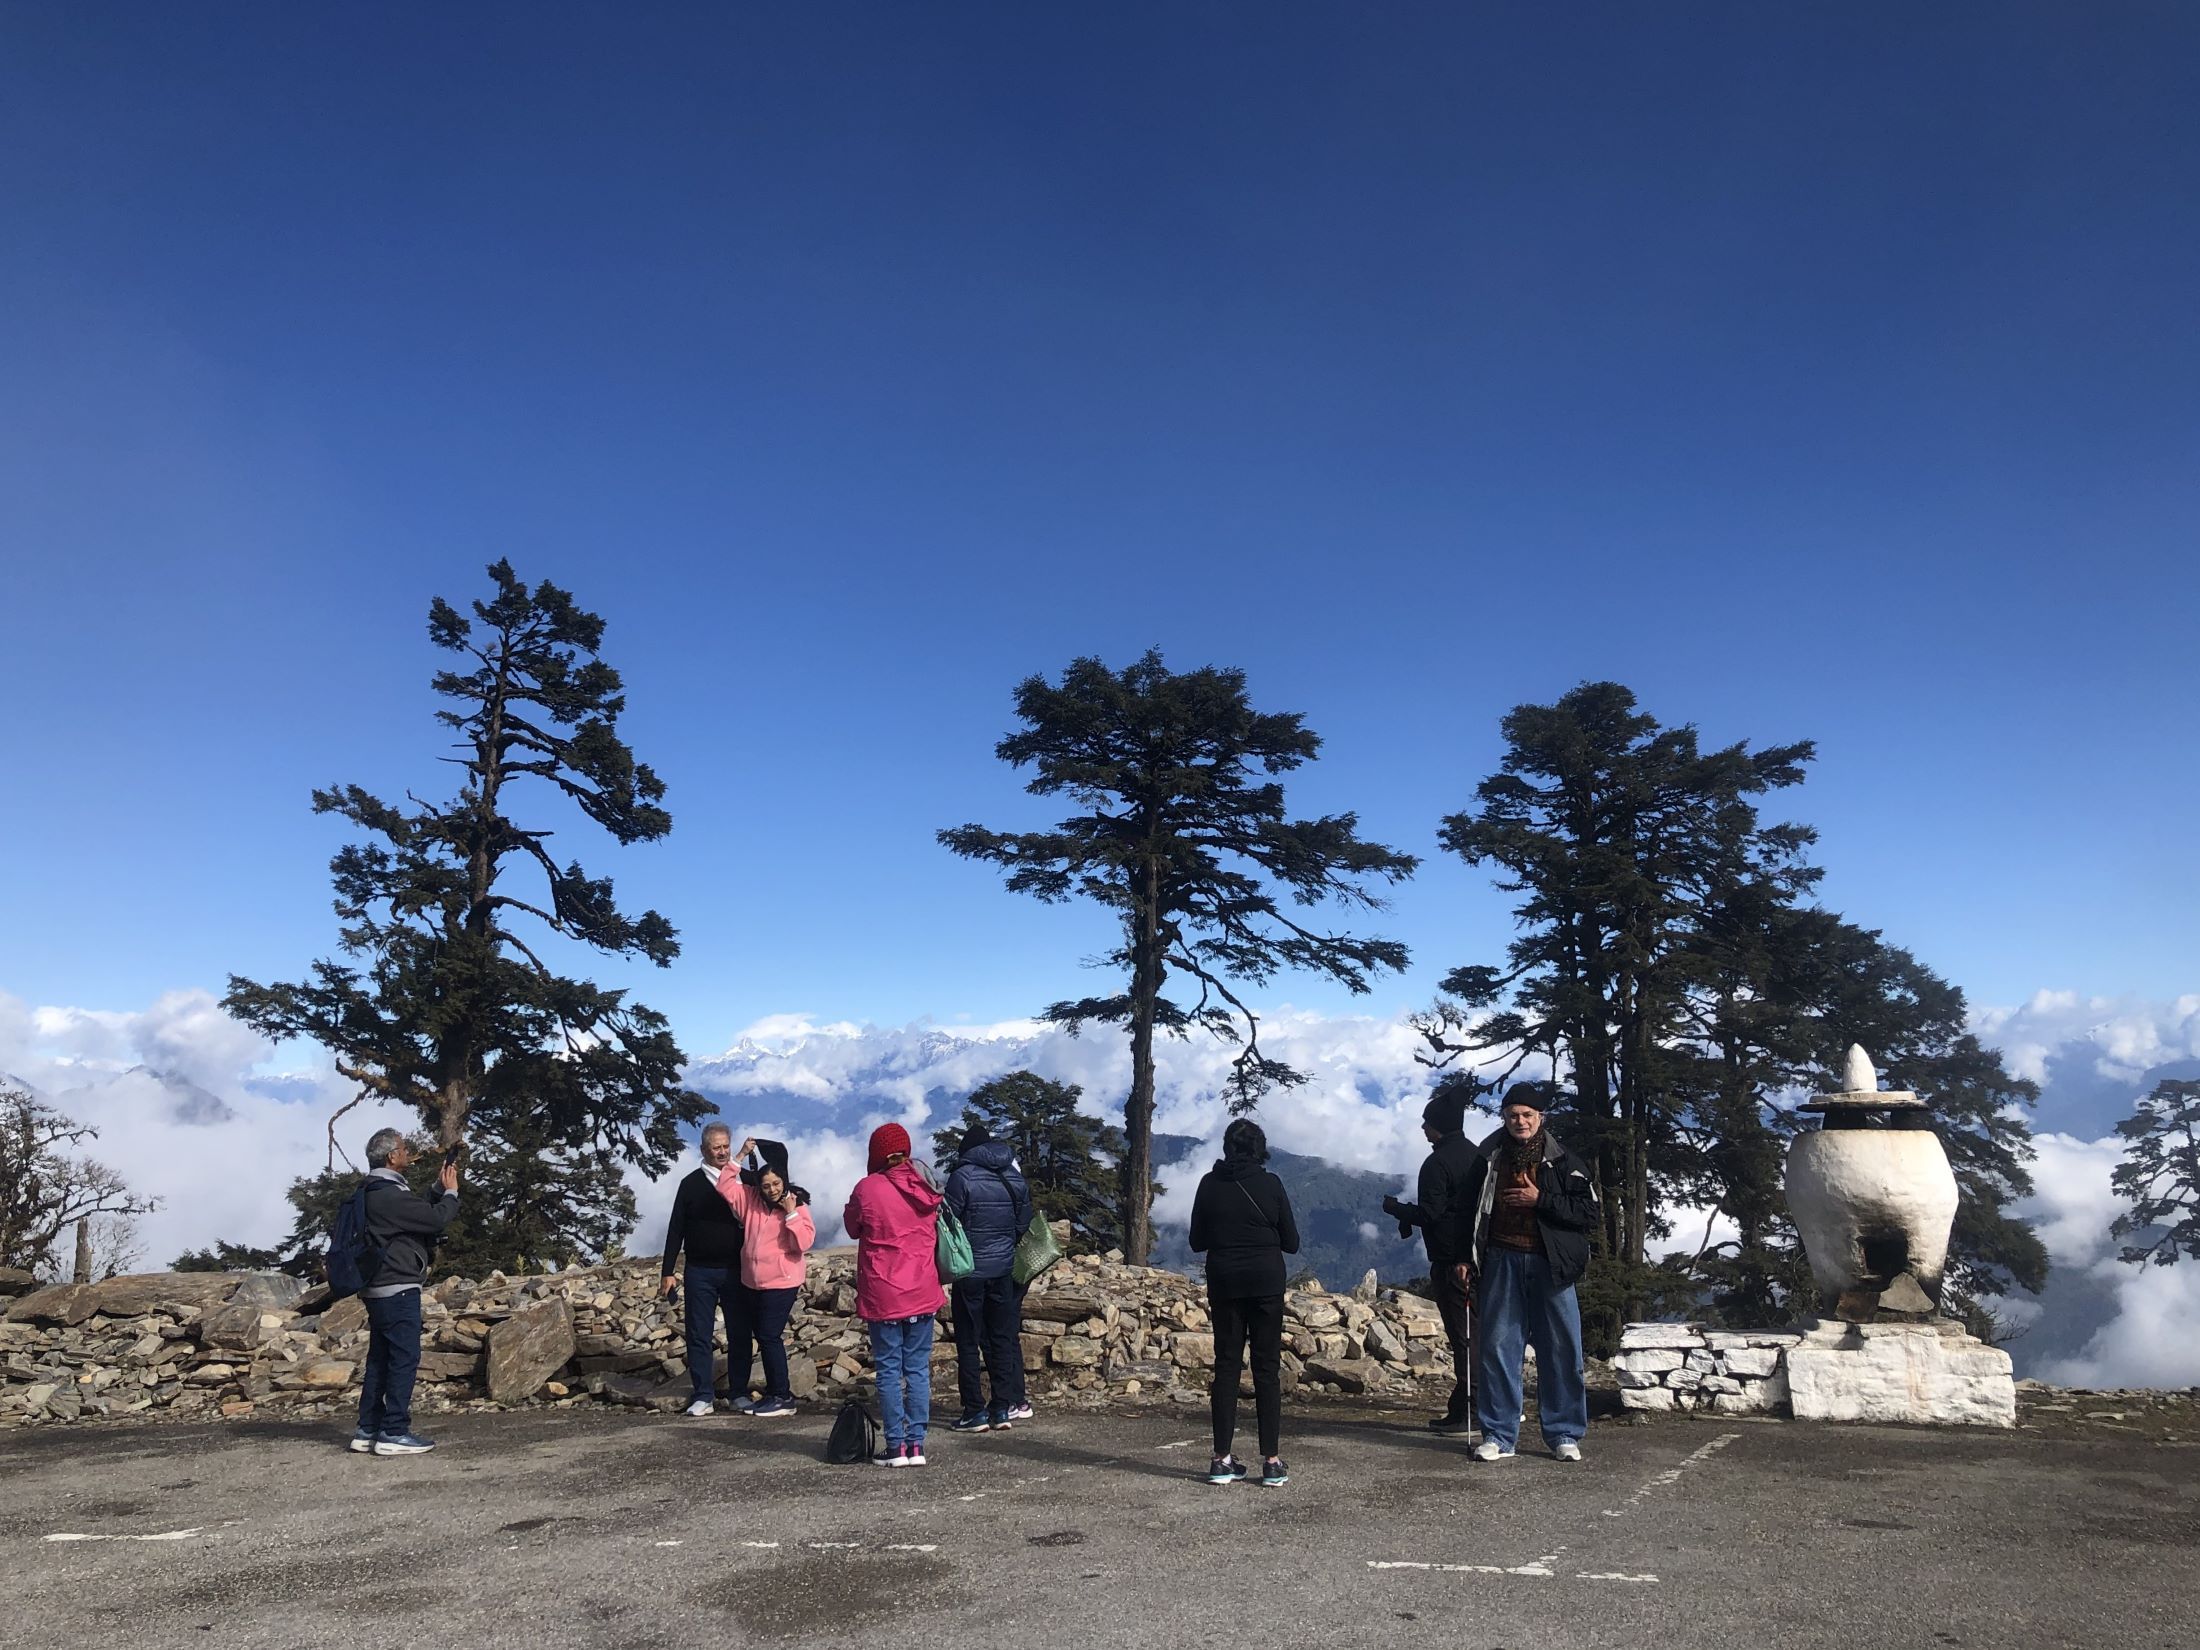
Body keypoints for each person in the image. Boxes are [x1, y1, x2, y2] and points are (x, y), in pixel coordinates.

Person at [1459, 1083, 1597, 1463]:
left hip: (1551, 1265)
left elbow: (1589, 1214)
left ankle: (1565, 1434)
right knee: (1498, 1349)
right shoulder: (1487, 1158)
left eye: (1527, 1115)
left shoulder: (1565, 1161)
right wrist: (1464, 1256)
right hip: (1501, 1258)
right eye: (1513, 1115)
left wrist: (1541, 1200)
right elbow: (1465, 1210)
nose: (1520, 1122)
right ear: (1504, 1118)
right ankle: (1499, 1435)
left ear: (1541, 1118)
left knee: (1562, 1350)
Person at [1188, 1118, 1299, 1488]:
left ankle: (1221, 1460)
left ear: (1226, 1148)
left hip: (1225, 1283)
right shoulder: (1271, 1184)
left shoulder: (1208, 1184)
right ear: (1259, 1149)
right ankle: (1271, 1461)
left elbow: (1196, 1241)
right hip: (1266, 1282)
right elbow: (1292, 1242)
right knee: (1266, 1368)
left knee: (1227, 1366)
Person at [841, 1122, 945, 1467]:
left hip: (884, 1292)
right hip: (922, 1288)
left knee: (888, 1369)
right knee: (916, 1369)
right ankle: (917, 1446)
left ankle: (895, 1447)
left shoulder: (867, 1188)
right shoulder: (925, 1182)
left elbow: (853, 1227)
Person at [1382, 1087, 1483, 1435]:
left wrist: (1396, 1209)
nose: (1423, 1129)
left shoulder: (1437, 1163)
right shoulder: (1476, 1155)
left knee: (1462, 1337)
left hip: (1452, 1264)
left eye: (1427, 1123)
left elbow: (1432, 1213)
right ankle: (1472, 1406)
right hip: (1478, 1259)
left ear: (1437, 1126)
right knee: (1478, 1333)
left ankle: (1470, 1411)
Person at [353, 1127, 460, 1456]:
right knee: (403, 1358)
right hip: (398, 1288)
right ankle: (394, 1432)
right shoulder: (389, 1194)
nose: (407, 1151)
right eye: (403, 1148)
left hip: (376, 1288)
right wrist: (451, 1193)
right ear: (391, 1156)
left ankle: (368, 1429)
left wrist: (435, 1188)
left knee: (380, 1359)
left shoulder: (372, 1191)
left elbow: (412, 1213)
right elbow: (434, 1219)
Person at [942, 1122, 1034, 1433]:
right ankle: (1002, 1408)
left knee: (968, 1341)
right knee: (1001, 1338)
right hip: (1004, 1270)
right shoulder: (1013, 1177)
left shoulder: (961, 1177)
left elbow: (948, 1224)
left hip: (969, 1271)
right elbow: (1023, 1223)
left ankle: (973, 1411)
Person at [716, 1137, 817, 1417]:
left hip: (782, 1282)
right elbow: (724, 1186)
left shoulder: (797, 1205)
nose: (772, 1190)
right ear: (758, 1187)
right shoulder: (750, 1199)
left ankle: (782, 1396)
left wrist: (791, 1215)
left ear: (784, 1181)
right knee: (763, 1335)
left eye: (776, 1184)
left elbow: (804, 1243)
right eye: (766, 1185)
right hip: (753, 1282)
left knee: (769, 1336)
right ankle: (775, 1394)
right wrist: (741, 1154)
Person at [662, 1123, 745, 1417]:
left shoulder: (743, 1179)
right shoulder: (690, 1184)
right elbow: (676, 1229)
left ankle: (739, 1392)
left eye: (726, 1146)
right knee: (698, 1333)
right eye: (716, 1147)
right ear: (703, 1150)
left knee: (739, 1332)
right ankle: (702, 1395)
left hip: (737, 1269)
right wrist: (667, 1271)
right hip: (699, 1270)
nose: (722, 1152)